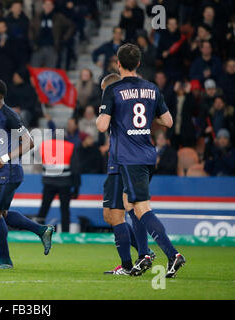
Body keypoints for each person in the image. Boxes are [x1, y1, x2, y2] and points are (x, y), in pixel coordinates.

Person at [96, 44, 185, 278]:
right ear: (138, 64)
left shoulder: (113, 90)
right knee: (129, 205)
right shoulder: (152, 89)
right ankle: (144, 255)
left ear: (118, 63)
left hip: (129, 156)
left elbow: (102, 126)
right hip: (147, 154)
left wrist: (108, 113)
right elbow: (168, 121)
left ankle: (172, 254)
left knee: (141, 208)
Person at [0, 79, 54, 269]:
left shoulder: (9, 114)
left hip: (7, 171)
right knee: (2, 213)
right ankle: (42, 231)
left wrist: (4, 159)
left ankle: (5, 260)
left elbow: (29, 142)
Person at [97, 73, 155, 276]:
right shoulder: (127, 103)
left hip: (120, 161)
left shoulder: (115, 99)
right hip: (120, 160)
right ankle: (144, 251)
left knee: (116, 214)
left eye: (104, 90)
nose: (102, 94)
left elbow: (102, 125)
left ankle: (130, 264)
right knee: (110, 215)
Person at [36, 111, 80, 233]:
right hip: (65, 183)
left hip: (48, 182)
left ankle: (38, 232)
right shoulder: (70, 146)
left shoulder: (44, 145)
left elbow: (38, 161)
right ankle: (65, 234)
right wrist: (76, 189)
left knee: (43, 209)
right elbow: (76, 169)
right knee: (65, 210)